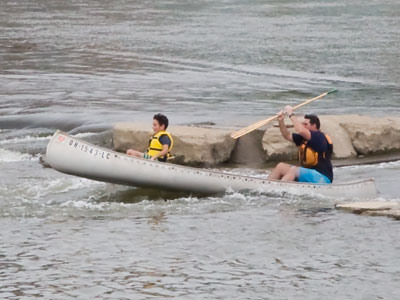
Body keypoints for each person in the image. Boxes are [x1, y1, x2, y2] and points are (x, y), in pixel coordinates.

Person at [268, 105, 333, 183]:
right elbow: (287, 136)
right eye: (303, 124)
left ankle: (279, 189)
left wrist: (291, 114)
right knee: (280, 166)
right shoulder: (304, 138)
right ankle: (266, 185)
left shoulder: (318, 136)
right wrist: (281, 121)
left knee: (294, 170)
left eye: (306, 124)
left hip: (323, 178)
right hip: (310, 175)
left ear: (314, 126)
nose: (303, 126)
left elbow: (301, 130)